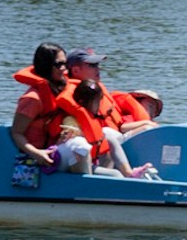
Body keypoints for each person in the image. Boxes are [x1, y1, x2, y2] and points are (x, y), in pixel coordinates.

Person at [13, 45, 120, 176]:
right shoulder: (32, 99)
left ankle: (124, 176)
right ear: (45, 66)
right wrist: (37, 153)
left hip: (59, 146)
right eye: (59, 64)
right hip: (42, 156)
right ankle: (90, 185)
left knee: (108, 134)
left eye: (65, 64)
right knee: (79, 145)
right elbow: (17, 133)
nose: (64, 69)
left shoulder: (62, 88)